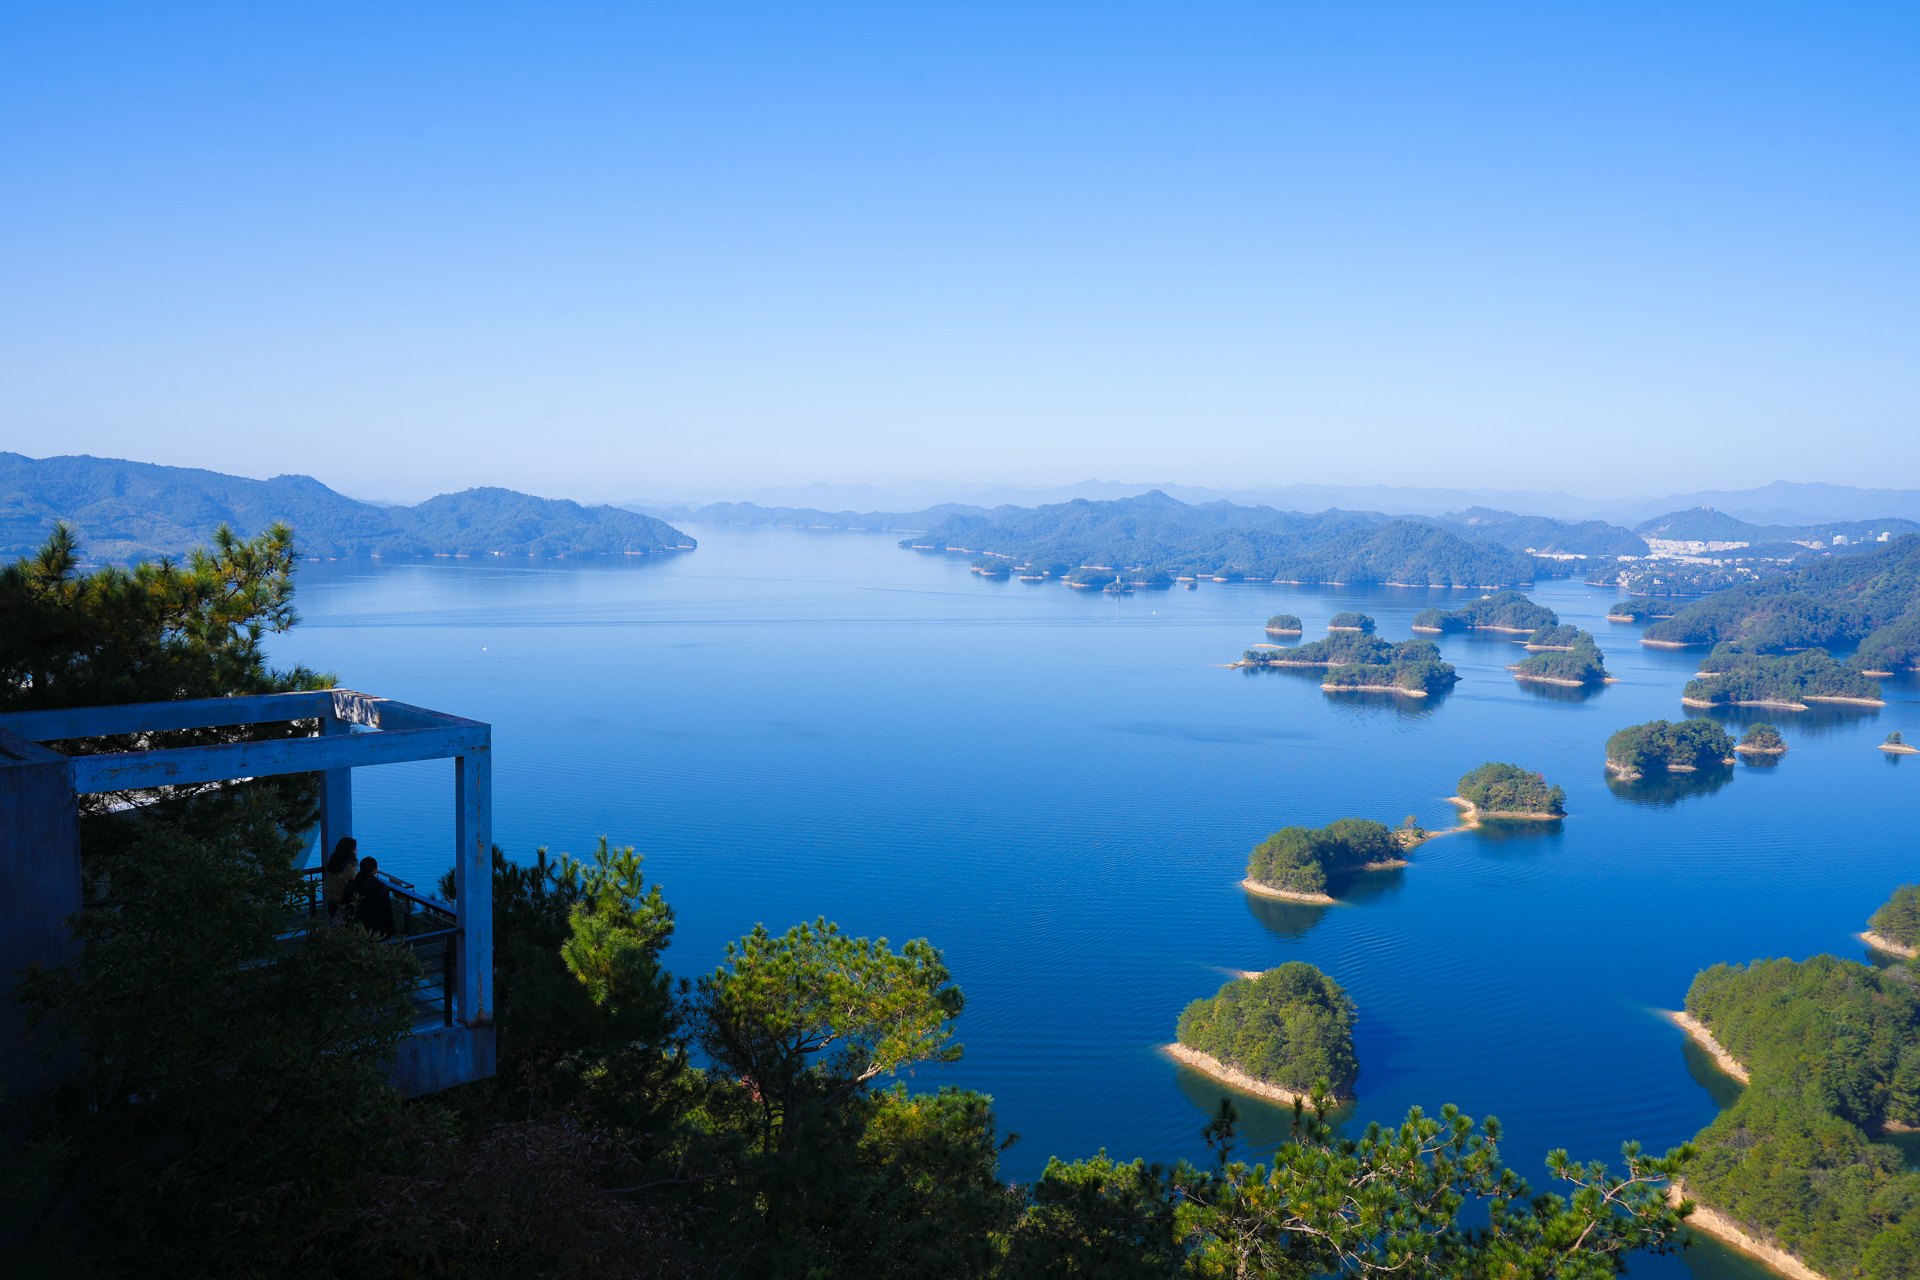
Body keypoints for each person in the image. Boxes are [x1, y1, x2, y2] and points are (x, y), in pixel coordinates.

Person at [345, 855, 396, 940]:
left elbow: (345, 903)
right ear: (374, 870)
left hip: (354, 925)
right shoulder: (380, 887)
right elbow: (386, 911)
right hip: (375, 929)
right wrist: (390, 931)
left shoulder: (351, 884)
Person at [322, 837, 359, 921]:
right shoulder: (349, 867)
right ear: (351, 850)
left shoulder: (333, 862)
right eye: (354, 848)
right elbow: (356, 882)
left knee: (336, 927)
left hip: (332, 901)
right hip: (345, 903)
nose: (356, 850)